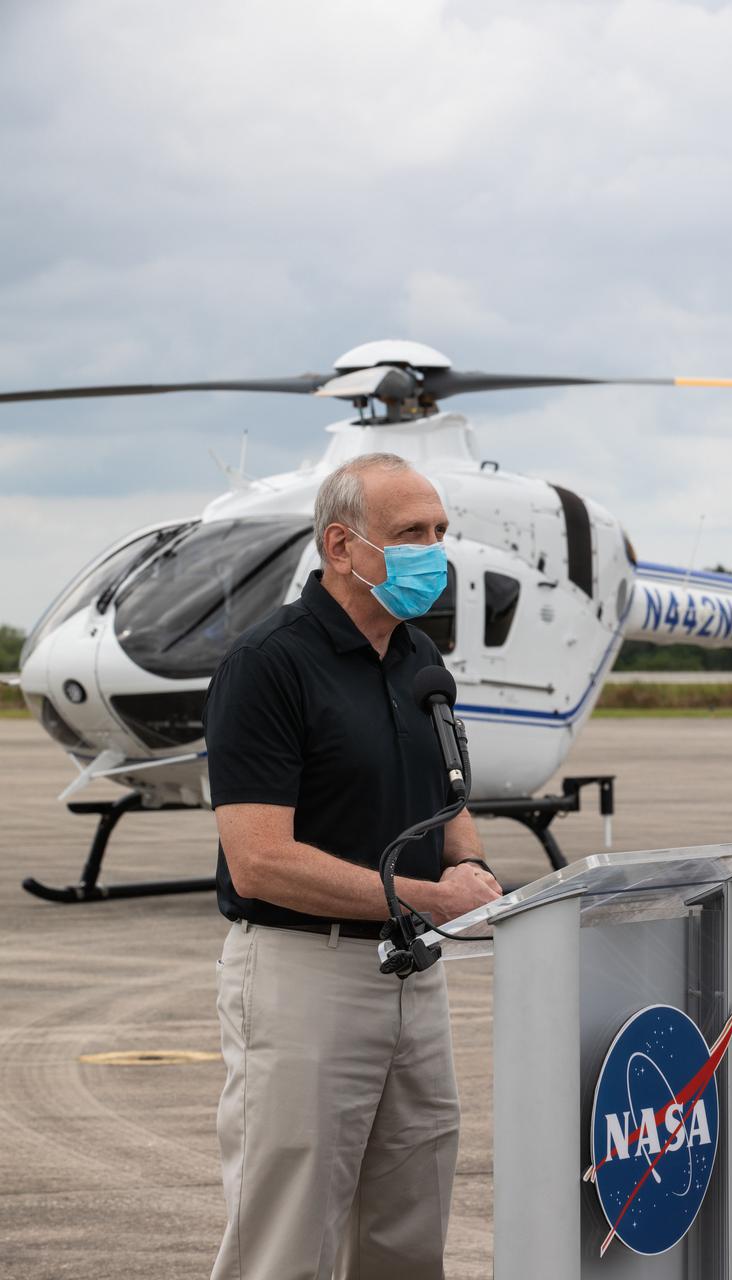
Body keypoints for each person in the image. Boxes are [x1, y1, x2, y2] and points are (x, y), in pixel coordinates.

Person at [203, 452, 503, 1280]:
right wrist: (428, 897)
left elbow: (446, 799)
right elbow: (260, 861)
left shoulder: (415, 659)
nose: (433, 551)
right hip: (308, 970)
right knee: (287, 1235)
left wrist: (469, 865)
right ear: (341, 546)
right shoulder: (268, 665)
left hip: (413, 972)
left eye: (441, 531)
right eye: (411, 533)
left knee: (409, 1229)